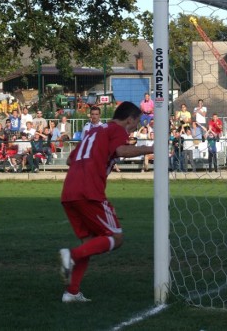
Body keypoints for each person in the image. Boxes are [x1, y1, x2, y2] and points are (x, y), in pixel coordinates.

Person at [58, 101, 153, 303]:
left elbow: (69, 160)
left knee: (89, 242)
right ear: (130, 119)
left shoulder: (93, 132)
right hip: (89, 190)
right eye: (135, 124)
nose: (134, 129)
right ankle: (72, 256)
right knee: (116, 237)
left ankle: (72, 292)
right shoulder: (116, 129)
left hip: (69, 191)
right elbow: (121, 151)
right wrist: (152, 148)